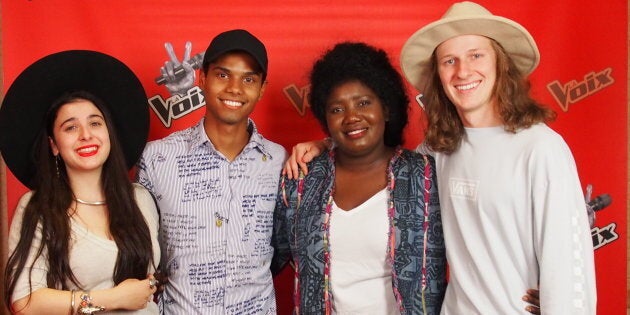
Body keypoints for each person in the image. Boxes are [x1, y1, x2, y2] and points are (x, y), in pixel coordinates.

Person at [285, 2, 596, 314]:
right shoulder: (441, 149)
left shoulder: (540, 149)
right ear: (438, 75)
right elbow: (371, 150)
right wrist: (327, 144)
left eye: (476, 55)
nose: (463, 71)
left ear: (501, 63)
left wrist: (563, 304)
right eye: (450, 61)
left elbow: (569, 265)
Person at [271, 42, 447, 315]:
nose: (352, 117)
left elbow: (473, 243)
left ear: (386, 109)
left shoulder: (424, 176)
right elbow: (263, 258)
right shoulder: (302, 180)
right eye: (337, 109)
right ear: (325, 118)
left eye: (363, 103)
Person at [136, 29, 287, 314]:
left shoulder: (278, 161)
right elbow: (142, 248)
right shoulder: (157, 158)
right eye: (222, 75)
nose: (235, 88)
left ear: (262, 88)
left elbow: (282, 246)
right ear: (202, 79)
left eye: (249, 79)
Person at [0, 51, 160, 314]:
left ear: (109, 133)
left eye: (95, 123)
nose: (86, 135)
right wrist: (113, 298)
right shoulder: (39, 208)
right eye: (70, 127)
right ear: (54, 145)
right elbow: (24, 302)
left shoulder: (140, 198)